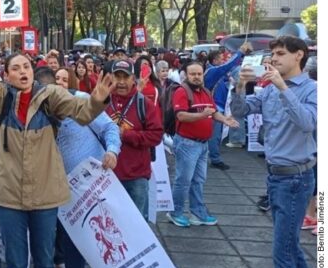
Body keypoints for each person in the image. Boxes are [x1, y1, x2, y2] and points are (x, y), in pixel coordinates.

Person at [0, 7, 112, 268]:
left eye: (26, 66)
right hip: (9, 196)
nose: (23, 71)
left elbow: (82, 113)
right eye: (15, 68)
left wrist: (97, 99)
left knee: (45, 263)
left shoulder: (51, 95)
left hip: (46, 196)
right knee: (16, 264)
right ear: (7, 75)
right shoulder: (1, 99)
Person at [231, 36, 316, 268]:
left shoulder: (312, 89)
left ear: (298, 55)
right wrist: (239, 85)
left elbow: (308, 123)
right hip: (275, 177)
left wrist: (282, 87)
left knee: (283, 252)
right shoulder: (268, 90)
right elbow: (239, 111)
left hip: (296, 178)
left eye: (280, 54)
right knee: (290, 246)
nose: (274, 59)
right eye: (273, 54)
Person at [41, 68, 121, 268]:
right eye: (54, 80)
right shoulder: (39, 109)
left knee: (106, 235)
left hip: (94, 182)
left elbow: (110, 128)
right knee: (71, 240)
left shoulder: (82, 101)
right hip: (63, 189)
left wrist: (112, 151)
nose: (59, 83)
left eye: (63, 79)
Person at [167, 61, 238, 228]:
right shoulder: (181, 92)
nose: (197, 77)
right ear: (185, 75)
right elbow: (182, 116)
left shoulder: (205, 91)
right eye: (193, 74)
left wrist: (225, 120)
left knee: (198, 180)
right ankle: (175, 212)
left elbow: (213, 112)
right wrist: (201, 115)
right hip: (187, 143)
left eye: (199, 74)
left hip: (202, 144)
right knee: (183, 180)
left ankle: (197, 212)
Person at [105, 60, 163, 219]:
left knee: (137, 225)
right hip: (107, 175)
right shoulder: (102, 102)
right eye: (118, 77)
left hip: (136, 177)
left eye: (126, 77)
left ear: (134, 79)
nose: (122, 82)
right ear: (111, 78)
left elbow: (156, 135)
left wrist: (126, 135)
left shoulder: (144, 103)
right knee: (110, 226)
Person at [204, 43, 252, 169]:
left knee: (216, 135)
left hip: (219, 107)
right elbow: (229, 65)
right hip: (214, 108)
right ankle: (215, 159)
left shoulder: (218, 73)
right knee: (214, 136)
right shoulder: (212, 71)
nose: (223, 60)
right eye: (221, 59)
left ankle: (211, 157)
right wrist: (240, 52)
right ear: (214, 61)